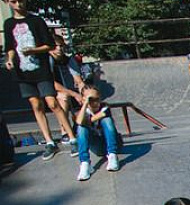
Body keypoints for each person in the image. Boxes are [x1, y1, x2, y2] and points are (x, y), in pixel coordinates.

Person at [3, 0, 75, 160]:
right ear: (8, 3)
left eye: (20, 1)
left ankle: (72, 137)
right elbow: (10, 46)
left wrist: (33, 50)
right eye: (14, 1)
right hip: (22, 71)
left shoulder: (36, 21)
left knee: (52, 103)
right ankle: (49, 142)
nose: (18, 5)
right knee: (36, 105)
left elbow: (49, 45)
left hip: (40, 69)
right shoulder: (8, 23)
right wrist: (10, 60)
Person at [73, 86, 121, 181]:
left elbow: (99, 116)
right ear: (83, 100)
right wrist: (85, 104)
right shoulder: (80, 112)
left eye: (97, 99)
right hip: (97, 146)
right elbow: (78, 122)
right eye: (91, 100)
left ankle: (112, 156)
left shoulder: (105, 107)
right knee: (81, 128)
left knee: (106, 120)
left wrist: (84, 121)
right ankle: (85, 163)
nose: (95, 103)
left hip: (111, 142)